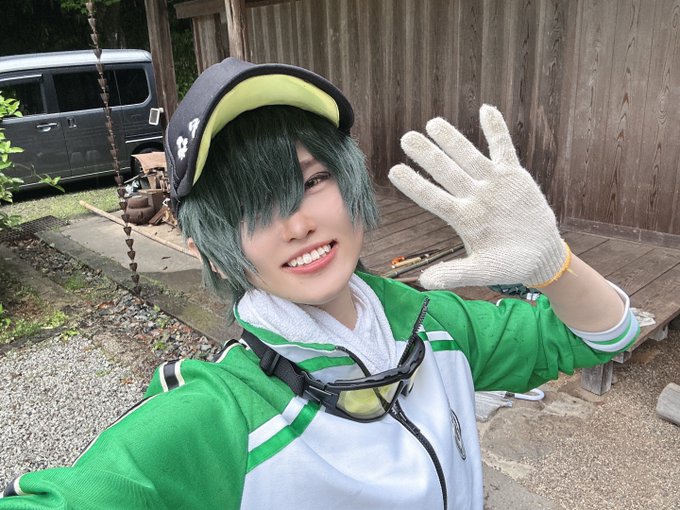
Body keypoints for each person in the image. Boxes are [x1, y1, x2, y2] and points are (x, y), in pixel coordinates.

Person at [0, 58, 638, 510]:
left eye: (312, 181)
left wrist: (553, 265)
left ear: (351, 182)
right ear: (214, 255)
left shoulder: (434, 327)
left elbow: (603, 336)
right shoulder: (220, 416)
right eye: (250, 206)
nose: (297, 223)